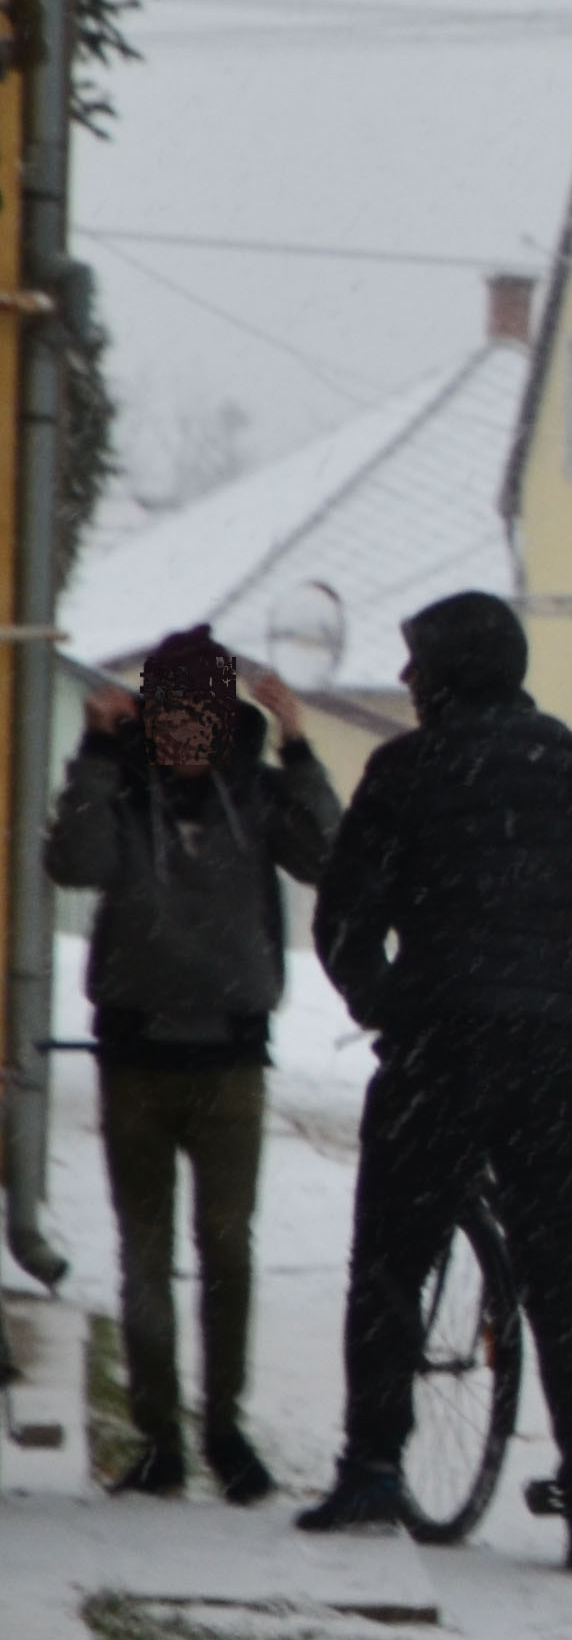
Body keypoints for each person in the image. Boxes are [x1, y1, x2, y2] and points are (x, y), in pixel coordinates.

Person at [305, 592, 572, 1567]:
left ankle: (372, 1467)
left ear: (446, 675)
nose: (403, 682)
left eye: (415, 665)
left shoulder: (406, 774)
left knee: (394, 1258)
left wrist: (390, 1003)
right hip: (556, 1063)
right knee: (565, 1279)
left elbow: (344, 921)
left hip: (438, 1055)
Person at [44, 628, 339, 1502]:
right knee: (143, 1256)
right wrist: (95, 753)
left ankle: (225, 1432)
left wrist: (300, 742)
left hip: (230, 1054)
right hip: (134, 1050)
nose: (183, 733)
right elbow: (73, 862)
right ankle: (159, 1439)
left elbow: (329, 855)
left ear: (223, 718)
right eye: (168, 715)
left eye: (199, 717)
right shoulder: (122, 788)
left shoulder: (257, 792)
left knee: (226, 1250)